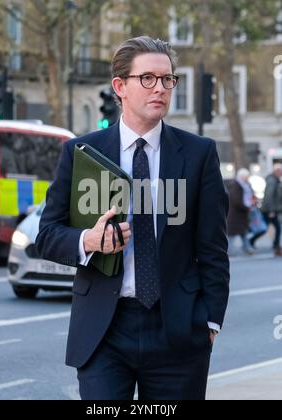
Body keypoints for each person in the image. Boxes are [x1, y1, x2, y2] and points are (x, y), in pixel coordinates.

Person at [36, 36, 230, 401]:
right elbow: (46, 234)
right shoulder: (81, 152)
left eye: (167, 79)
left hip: (177, 331)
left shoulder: (199, 153)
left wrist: (210, 322)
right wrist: (87, 242)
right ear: (120, 86)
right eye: (148, 79)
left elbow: (213, 249)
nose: (160, 88)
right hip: (104, 331)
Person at [227, 169, 254, 255]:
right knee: (232, 234)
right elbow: (236, 200)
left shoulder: (244, 185)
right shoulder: (236, 185)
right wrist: (246, 207)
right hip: (236, 213)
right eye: (246, 177)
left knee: (243, 232)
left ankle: (247, 249)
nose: (247, 178)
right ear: (242, 177)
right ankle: (227, 250)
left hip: (241, 213)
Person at [261, 164, 282, 257]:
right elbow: (269, 196)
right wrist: (271, 210)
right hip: (269, 210)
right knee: (275, 228)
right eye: (280, 170)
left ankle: (276, 246)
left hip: (271, 209)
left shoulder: (275, 180)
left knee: (271, 227)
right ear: (276, 171)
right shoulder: (272, 181)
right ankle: (276, 246)